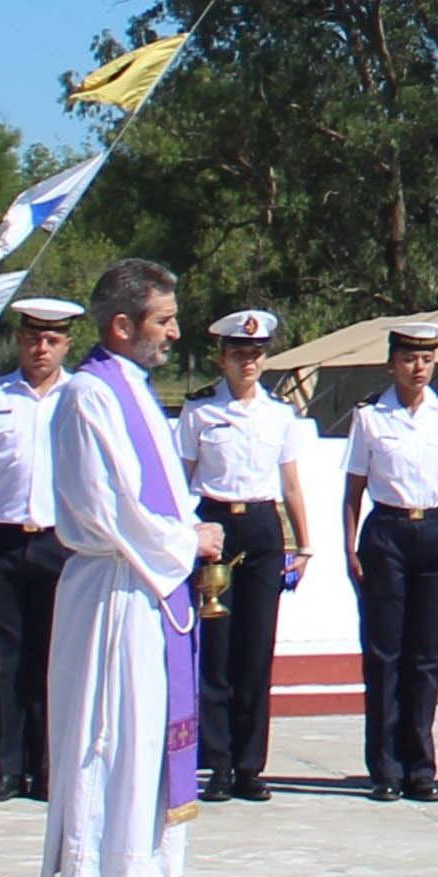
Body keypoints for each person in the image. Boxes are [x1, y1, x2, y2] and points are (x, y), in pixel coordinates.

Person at [42, 257, 218, 877]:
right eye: (164, 320)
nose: (175, 333)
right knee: (107, 744)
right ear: (122, 325)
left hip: (148, 590)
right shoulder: (89, 395)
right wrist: (188, 540)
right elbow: (109, 508)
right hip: (114, 595)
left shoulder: (137, 389)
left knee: (142, 746)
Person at [341, 318, 438, 802]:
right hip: (387, 533)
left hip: (436, 532)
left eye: (426, 359)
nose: (418, 368)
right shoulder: (370, 418)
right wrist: (349, 545)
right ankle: (385, 767)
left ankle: (420, 765)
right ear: (391, 364)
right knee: (385, 655)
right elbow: (354, 488)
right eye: (408, 359)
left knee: (425, 655)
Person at [0, 297, 84, 803]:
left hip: (62, 542)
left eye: (51, 340)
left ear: (67, 344)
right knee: (4, 659)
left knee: (56, 659)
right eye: (32, 339)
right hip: (3, 541)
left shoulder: (80, 398)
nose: (40, 349)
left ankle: (49, 767)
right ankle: (7, 769)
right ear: (18, 341)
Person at [179, 309, 310, 802]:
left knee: (256, 650)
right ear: (222, 359)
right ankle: (217, 765)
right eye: (239, 355)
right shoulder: (200, 411)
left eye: (255, 355)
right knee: (218, 648)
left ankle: (251, 763)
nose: (248, 363)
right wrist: (187, 531)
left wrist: (304, 543)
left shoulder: (279, 414)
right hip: (214, 524)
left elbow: (291, 483)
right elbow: (180, 478)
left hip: (260, 526)